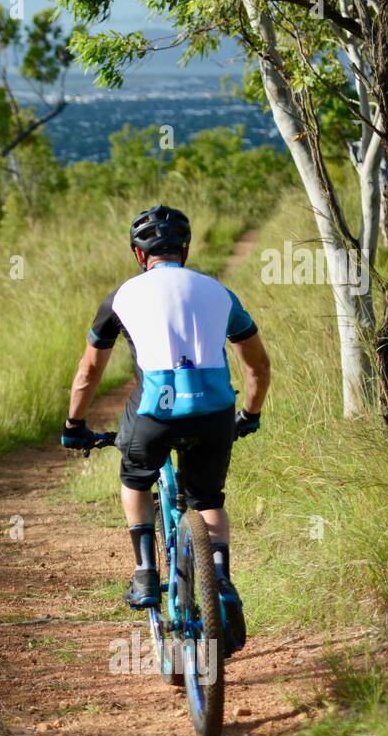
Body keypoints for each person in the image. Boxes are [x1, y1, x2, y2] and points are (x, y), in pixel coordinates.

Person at [60, 204, 271, 649]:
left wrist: (74, 423)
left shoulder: (121, 297)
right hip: (214, 410)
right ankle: (221, 582)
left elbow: (88, 372)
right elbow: (257, 366)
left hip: (156, 412)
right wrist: (248, 415)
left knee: (135, 477)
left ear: (140, 256)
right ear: (186, 250)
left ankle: (144, 572)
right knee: (208, 497)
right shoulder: (220, 292)